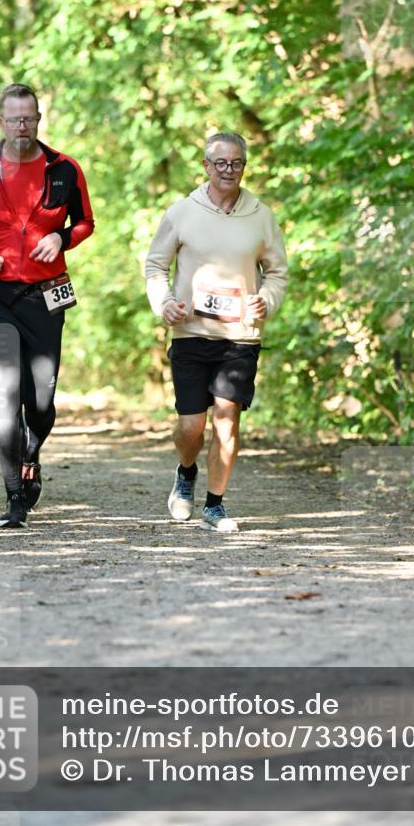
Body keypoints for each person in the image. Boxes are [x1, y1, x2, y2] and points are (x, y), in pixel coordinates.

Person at [0, 83, 94, 528]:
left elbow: (85, 221)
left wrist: (61, 237)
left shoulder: (64, 169)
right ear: (0, 122)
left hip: (46, 294)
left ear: (38, 119)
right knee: (6, 389)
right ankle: (14, 495)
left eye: (29, 117)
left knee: (42, 400)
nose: (22, 126)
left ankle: (32, 448)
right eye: (14, 119)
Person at [145, 132, 287, 533]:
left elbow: (276, 272)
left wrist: (267, 301)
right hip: (191, 332)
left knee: (227, 418)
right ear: (206, 166)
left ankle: (215, 505)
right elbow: (156, 266)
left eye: (236, 163)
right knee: (192, 426)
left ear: (245, 166)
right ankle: (186, 473)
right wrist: (165, 303)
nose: (229, 170)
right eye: (220, 163)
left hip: (240, 335)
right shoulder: (180, 213)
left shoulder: (261, 216)